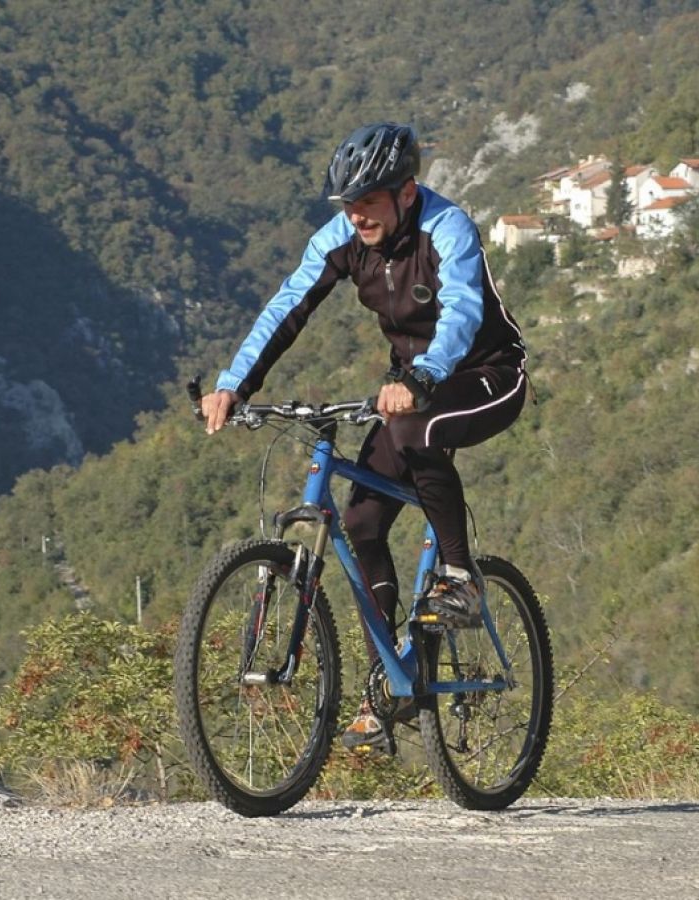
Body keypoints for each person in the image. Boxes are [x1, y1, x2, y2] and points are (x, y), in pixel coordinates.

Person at [199, 122, 528, 751]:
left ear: (406, 193)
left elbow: (462, 309)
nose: (357, 216)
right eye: (349, 206)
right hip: (411, 386)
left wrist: (427, 373)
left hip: (487, 374)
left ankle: (460, 575)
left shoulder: (447, 227)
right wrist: (233, 384)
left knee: (416, 428)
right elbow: (288, 306)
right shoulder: (342, 239)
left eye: (369, 202)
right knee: (364, 522)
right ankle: (390, 680)